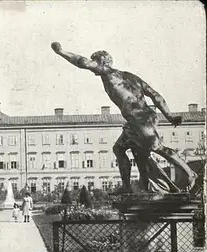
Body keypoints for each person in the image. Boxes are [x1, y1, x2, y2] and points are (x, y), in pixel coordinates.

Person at [51, 42, 197, 194]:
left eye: (95, 60)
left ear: (102, 62)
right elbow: (155, 95)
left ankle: (189, 174)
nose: (93, 67)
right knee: (119, 148)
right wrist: (169, 116)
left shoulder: (107, 73)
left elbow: (82, 62)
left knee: (156, 147)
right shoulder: (130, 77)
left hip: (141, 119)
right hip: (137, 120)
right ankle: (127, 188)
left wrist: (61, 52)